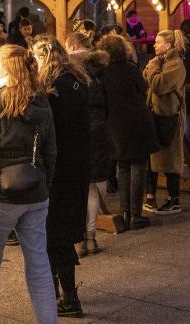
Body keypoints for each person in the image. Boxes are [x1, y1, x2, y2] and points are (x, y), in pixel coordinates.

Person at [0, 44, 58, 324]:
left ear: (7, 68)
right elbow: (50, 152)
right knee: (39, 265)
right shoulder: (42, 103)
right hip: (36, 193)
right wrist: (45, 185)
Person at [31, 35, 92, 317]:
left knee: (52, 234)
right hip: (77, 165)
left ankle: (65, 296)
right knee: (63, 233)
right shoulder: (77, 81)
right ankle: (64, 294)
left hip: (56, 169)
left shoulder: (51, 91)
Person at [98, 33, 159, 229]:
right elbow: (142, 90)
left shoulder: (102, 73)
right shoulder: (131, 69)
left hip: (115, 125)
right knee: (139, 166)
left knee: (122, 167)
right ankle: (136, 214)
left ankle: (124, 212)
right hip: (137, 121)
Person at [143, 30, 187, 216]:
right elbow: (145, 75)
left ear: (168, 45)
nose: (154, 45)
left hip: (169, 117)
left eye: (158, 42)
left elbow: (158, 84)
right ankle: (150, 197)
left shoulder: (176, 65)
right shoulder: (161, 62)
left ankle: (174, 199)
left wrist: (152, 67)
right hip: (156, 116)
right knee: (151, 159)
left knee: (170, 159)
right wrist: (152, 68)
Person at [78, 41, 111, 256]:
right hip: (100, 133)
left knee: (80, 188)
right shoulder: (104, 80)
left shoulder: (77, 82)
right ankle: (90, 238)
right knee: (93, 186)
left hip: (80, 133)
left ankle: (79, 240)